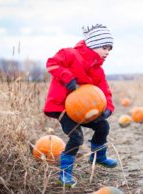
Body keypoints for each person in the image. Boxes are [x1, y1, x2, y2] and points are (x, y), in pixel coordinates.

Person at [43, 24, 117, 187]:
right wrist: (68, 77)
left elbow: (105, 91)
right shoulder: (69, 54)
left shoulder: (98, 71)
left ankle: (98, 156)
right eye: (104, 47)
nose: (107, 52)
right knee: (76, 138)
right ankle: (65, 173)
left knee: (103, 126)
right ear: (93, 44)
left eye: (109, 49)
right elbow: (52, 64)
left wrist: (107, 109)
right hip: (62, 108)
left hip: (85, 110)